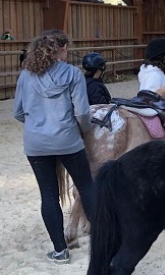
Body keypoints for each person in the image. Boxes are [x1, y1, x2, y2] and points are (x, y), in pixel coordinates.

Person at [13, 30, 94, 265]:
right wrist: (84, 129)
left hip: (36, 144)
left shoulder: (26, 75)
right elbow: (82, 113)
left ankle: (60, 251)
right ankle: (104, 240)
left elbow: (17, 112)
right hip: (68, 140)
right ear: (60, 49)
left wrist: (37, 125)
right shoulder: (73, 74)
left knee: (48, 196)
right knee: (87, 187)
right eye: (66, 49)